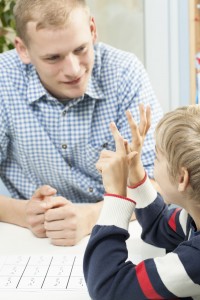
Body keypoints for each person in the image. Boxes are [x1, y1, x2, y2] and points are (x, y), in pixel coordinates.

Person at [0, 0, 163, 246]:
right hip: (31, 241)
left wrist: (93, 215)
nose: (73, 70)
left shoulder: (124, 73)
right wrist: (22, 213)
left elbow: (159, 185)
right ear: (23, 49)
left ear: (93, 29)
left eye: (80, 49)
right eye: (53, 58)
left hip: (123, 232)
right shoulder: (4, 78)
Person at [83, 104, 200, 299]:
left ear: (181, 178)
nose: (152, 161)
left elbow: (109, 288)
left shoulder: (195, 259)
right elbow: (159, 226)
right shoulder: (193, 216)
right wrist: (134, 170)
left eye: (156, 156)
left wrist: (115, 195)